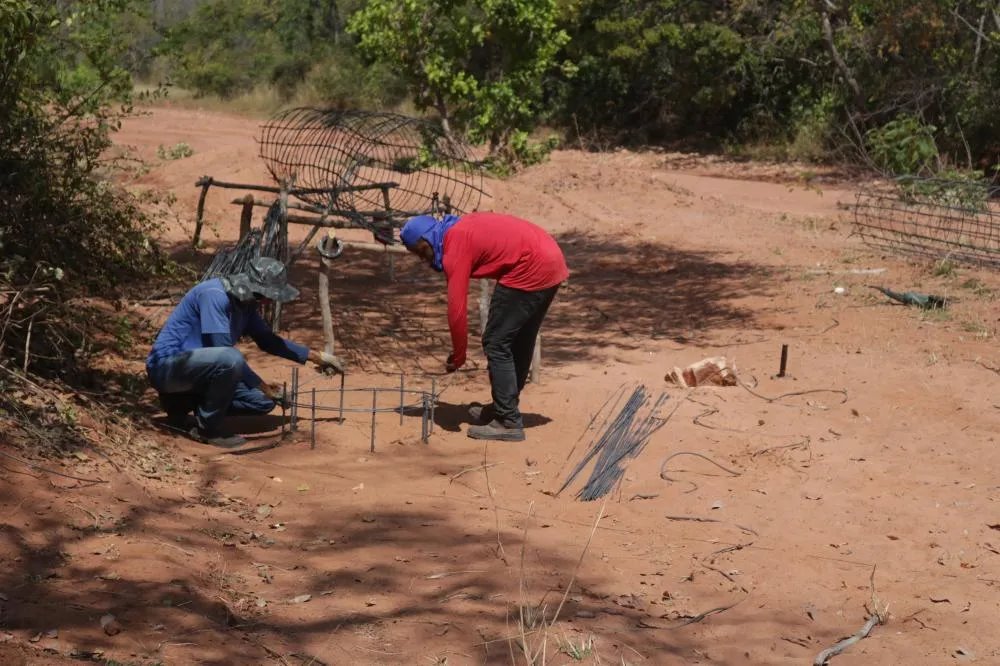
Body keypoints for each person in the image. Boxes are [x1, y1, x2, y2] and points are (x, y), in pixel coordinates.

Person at [400, 212, 568, 442]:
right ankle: (503, 408)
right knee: (518, 339)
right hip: (550, 259)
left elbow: (457, 311)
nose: (423, 259)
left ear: (427, 239)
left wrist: (459, 356)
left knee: (496, 341)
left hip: (530, 266)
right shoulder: (457, 229)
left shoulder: (454, 245)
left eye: (420, 251)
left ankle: (507, 421)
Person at [146, 257, 344, 447]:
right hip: (167, 368)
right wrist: (264, 386)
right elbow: (225, 354)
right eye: (269, 296)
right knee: (231, 358)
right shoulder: (215, 295)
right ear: (258, 290)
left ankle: (181, 406)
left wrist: (317, 357)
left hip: (200, 374)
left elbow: (268, 341)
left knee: (263, 402)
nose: (269, 301)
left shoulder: (247, 305)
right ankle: (207, 429)